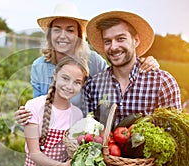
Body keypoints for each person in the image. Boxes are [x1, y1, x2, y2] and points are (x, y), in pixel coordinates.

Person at [83, 10, 182, 166]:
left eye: (121, 38)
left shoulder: (162, 82)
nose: (114, 47)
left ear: (135, 40)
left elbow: (171, 142)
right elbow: (84, 132)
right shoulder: (93, 84)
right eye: (108, 41)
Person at [15, 2, 159, 125]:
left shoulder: (93, 61)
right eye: (57, 29)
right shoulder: (39, 66)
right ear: (50, 35)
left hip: (83, 136)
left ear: (79, 35)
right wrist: (26, 114)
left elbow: (118, 76)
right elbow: (38, 106)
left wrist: (146, 62)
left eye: (70, 30)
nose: (62, 35)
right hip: (52, 133)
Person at [16, 56, 89, 166]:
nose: (69, 86)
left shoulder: (77, 114)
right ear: (55, 75)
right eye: (65, 78)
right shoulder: (34, 107)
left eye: (77, 82)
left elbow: (68, 154)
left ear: (83, 84)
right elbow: (35, 154)